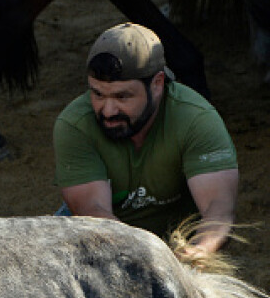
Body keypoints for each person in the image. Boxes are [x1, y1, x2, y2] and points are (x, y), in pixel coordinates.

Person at [54, 22, 239, 258]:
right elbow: (93, 212)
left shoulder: (196, 119)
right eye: (97, 94)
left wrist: (198, 252)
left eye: (123, 96)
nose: (108, 110)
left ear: (157, 84)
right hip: (106, 239)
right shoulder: (74, 124)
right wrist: (149, 260)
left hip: (178, 239)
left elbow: (219, 210)